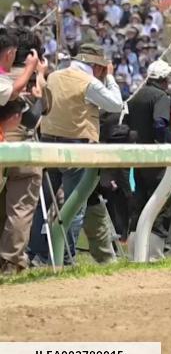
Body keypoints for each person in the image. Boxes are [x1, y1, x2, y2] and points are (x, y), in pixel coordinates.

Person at [30, 43, 124, 266]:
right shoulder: (89, 82)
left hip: (48, 143)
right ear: (95, 65)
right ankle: (65, 256)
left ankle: (37, 252)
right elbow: (116, 104)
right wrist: (110, 78)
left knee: (41, 204)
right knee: (75, 205)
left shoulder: (53, 76)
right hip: (77, 146)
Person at [0, 28, 45, 274]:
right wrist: (41, 78)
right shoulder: (28, 80)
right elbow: (38, 116)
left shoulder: (4, 76)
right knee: (21, 205)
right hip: (23, 146)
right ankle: (12, 259)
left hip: (3, 141)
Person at [126, 59, 171, 234]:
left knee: (140, 199)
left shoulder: (136, 94)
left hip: (138, 156)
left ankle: (136, 242)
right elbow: (159, 123)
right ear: (162, 78)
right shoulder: (161, 96)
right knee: (159, 201)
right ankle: (154, 246)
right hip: (157, 158)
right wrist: (161, 144)